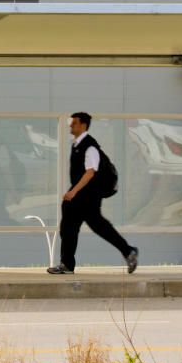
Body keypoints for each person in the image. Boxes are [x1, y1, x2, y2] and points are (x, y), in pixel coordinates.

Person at [47, 112, 138, 275]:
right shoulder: (77, 144)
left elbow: (90, 172)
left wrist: (73, 191)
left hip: (87, 195)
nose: (71, 125)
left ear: (83, 126)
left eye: (74, 123)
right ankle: (67, 264)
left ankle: (128, 251)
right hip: (80, 195)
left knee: (98, 227)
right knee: (69, 227)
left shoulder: (90, 146)